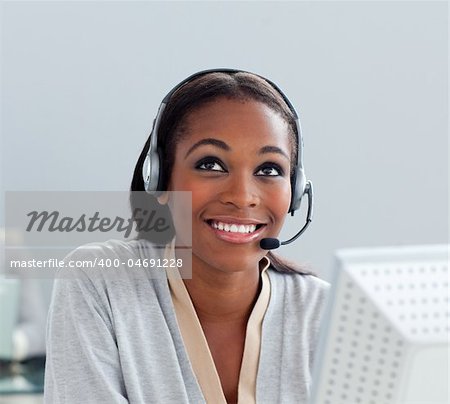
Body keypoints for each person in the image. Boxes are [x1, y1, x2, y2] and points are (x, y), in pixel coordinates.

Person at [44, 69, 329, 404]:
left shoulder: (324, 311)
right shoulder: (100, 281)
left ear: (295, 192)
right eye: (210, 164)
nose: (241, 196)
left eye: (268, 170)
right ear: (160, 179)